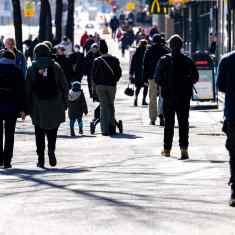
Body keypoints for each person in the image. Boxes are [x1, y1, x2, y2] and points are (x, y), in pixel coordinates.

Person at [155, 34, 199, 160]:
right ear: (181, 45)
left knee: (169, 123)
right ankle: (184, 150)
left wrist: (165, 85)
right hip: (184, 97)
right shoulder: (187, 60)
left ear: (170, 45)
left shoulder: (163, 60)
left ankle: (167, 149)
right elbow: (195, 78)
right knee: (183, 123)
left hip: (168, 96)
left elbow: (157, 78)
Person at [26, 43, 69, 168]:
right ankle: (51, 150)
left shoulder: (31, 68)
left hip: (38, 106)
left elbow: (27, 89)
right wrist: (65, 103)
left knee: (39, 132)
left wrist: (27, 107)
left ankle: (40, 158)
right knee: (52, 131)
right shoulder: (56, 66)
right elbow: (64, 86)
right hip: (55, 104)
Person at [0, 49, 26, 168]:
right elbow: (21, 92)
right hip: (12, 107)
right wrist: (22, 109)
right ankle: (7, 160)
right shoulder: (17, 71)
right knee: (10, 134)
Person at [92, 39, 122, 136]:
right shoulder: (115, 60)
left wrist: (96, 85)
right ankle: (112, 127)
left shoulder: (97, 61)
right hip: (111, 86)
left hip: (100, 86)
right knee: (111, 105)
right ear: (107, 49)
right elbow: (119, 73)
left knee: (103, 107)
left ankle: (104, 130)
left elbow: (93, 76)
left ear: (100, 51)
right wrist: (114, 80)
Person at [217, 50, 235, 207]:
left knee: (234, 152)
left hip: (233, 114)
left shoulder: (226, 60)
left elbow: (220, 87)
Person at [143, 33, 170, 125]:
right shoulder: (166, 50)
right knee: (163, 97)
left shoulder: (149, 50)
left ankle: (152, 118)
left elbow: (145, 65)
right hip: (164, 77)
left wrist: (144, 78)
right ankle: (162, 115)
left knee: (152, 97)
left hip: (152, 77)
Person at [129, 39, 148, 106]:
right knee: (146, 87)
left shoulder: (136, 53)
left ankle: (136, 99)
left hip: (137, 73)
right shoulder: (146, 53)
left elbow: (132, 64)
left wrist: (131, 73)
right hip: (145, 73)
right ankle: (143, 100)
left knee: (138, 87)